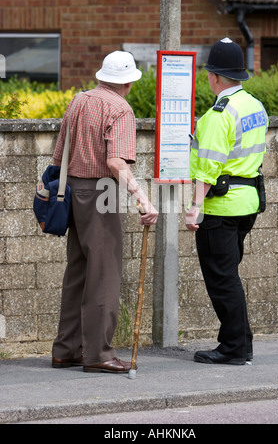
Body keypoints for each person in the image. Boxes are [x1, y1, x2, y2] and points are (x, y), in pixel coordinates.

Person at [51, 51, 158, 373]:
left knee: (78, 273)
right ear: (127, 82)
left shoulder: (79, 99)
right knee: (104, 275)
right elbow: (115, 162)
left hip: (72, 192)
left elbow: (59, 155)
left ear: (102, 76)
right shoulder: (120, 109)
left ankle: (66, 349)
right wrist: (143, 198)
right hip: (100, 194)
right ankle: (98, 354)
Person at [185, 38, 268, 365]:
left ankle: (234, 348)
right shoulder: (254, 106)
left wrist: (195, 207)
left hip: (220, 207)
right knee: (228, 275)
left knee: (222, 280)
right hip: (248, 203)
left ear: (214, 76)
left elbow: (208, 167)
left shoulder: (219, 114)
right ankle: (240, 343)